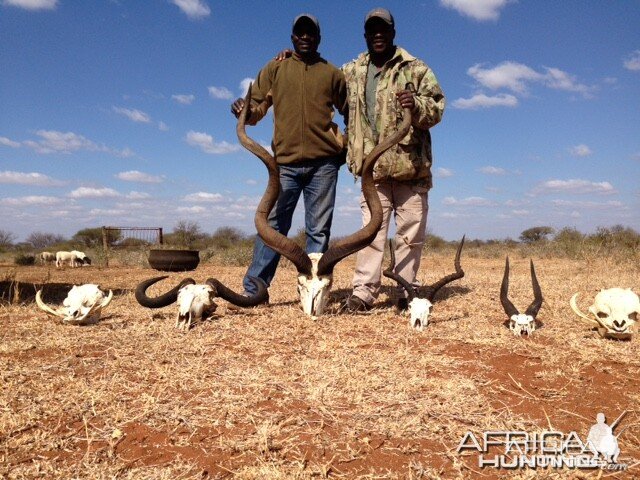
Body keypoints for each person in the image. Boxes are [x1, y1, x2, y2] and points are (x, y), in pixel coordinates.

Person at [231, 14, 347, 298]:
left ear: (318, 38)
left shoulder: (332, 73)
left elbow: (349, 111)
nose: (305, 37)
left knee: (318, 231)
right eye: (300, 33)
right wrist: (244, 109)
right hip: (283, 165)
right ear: (292, 37)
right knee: (272, 227)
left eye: (311, 33)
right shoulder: (275, 68)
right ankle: (254, 290)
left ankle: (313, 292)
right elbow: (257, 106)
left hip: (324, 165)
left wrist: (344, 147)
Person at [344, 7, 446, 312]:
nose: (378, 35)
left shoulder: (415, 68)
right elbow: (328, 94)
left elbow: (437, 108)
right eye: (372, 30)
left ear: (393, 33)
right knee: (371, 234)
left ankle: (405, 291)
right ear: (365, 35)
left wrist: (416, 104)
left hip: (410, 169)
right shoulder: (351, 71)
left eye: (383, 30)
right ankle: (364, 292)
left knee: (410, 236)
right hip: (371, 172)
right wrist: (289, 59)